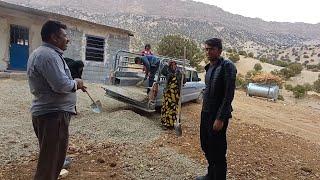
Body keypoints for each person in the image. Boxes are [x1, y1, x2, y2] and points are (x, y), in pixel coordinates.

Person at [27, 20, 85, 180]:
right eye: (65, 36)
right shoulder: (49, 56)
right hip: (53, 116)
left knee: (50, 161)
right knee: (49, 166)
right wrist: (77, 83)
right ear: (54, 37)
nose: (68, 39)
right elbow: (61, 85)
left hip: (49, 115)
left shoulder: (43, 53)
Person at [196, 38, 237, 180]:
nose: (208, 52)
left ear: (219, 50)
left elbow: (228, 94)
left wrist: (220, 118)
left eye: (211, 49)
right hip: (206, 112)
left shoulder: (227, 66)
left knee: (218, 149)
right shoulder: (209, 67)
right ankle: (211, 175)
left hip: (218, 115)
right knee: (206, 144)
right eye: (206, 49)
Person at [160, 60, 184, 130]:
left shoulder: (179, 72)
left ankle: (174, 123)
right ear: (170, 66)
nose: (173, 66)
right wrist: (167, 65)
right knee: (166, 108)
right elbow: (162, 71)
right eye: (172, 65)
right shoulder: (168, 71)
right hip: (168, 93)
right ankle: (165, 124)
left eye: (174, 65)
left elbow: (184, 81)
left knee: (175, 108)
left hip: (176, 94)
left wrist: (184, 75)